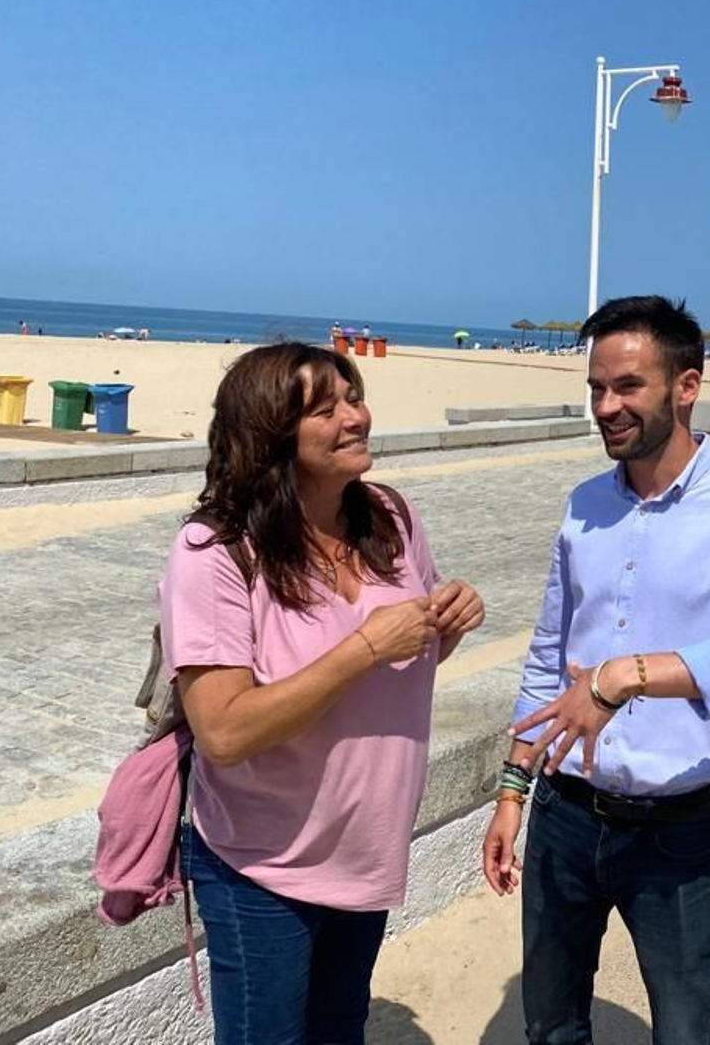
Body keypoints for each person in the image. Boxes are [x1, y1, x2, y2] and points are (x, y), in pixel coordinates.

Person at [482, 296, 710, 1045]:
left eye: (628, 387)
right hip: (565, 813)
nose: (606, 406)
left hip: (677, 828)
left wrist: (627, 674)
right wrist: (512, 790)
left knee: (686, 1028)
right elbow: (547, 657)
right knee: (552, 1024)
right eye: (597, 388)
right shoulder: (584, 506)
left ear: (686, 387)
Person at [161, 341, 484, 1043]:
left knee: (340, 1031)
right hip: (262, 866)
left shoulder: (390, 517)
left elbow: (403, 670)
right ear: (271, 433)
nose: (355, 417)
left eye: (355, 397)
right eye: (325, 408)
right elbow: (223, 731)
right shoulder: (214, 552)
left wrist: (444, 625)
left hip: (364, 855)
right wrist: (365, 646)